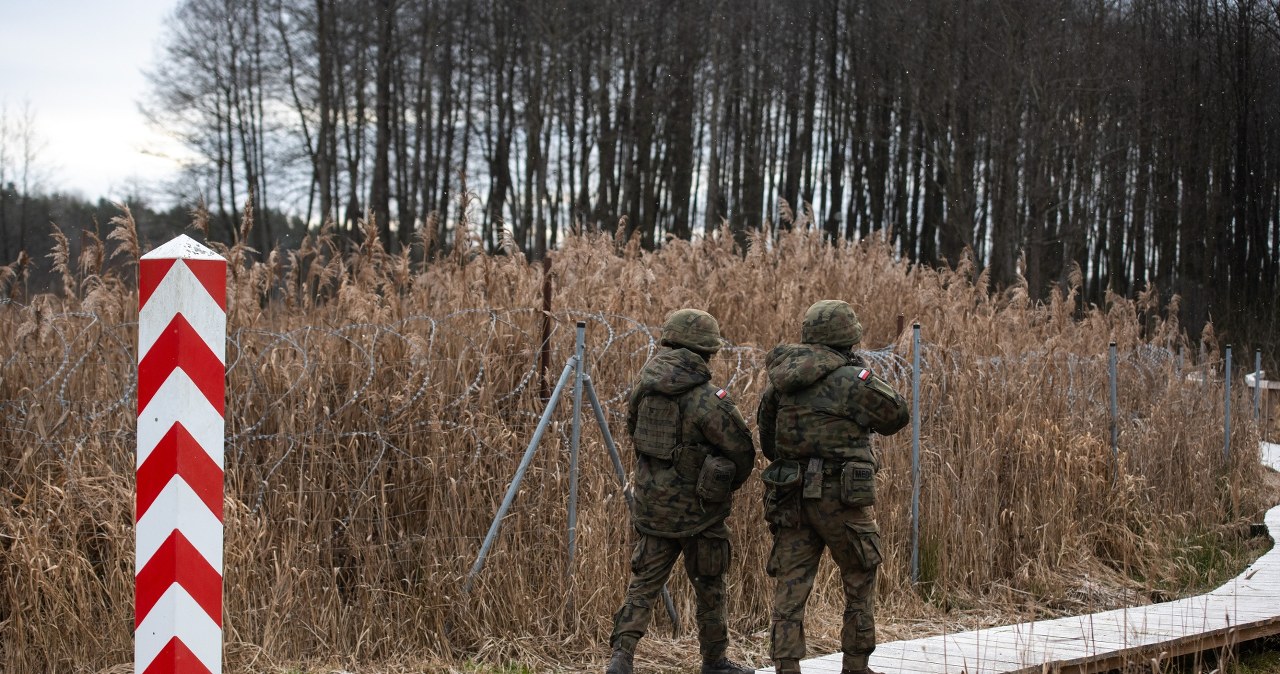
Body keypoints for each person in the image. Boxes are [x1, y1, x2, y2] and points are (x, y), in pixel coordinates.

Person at [756, 300, 910, 674]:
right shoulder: (849, 381)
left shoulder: (781, 381)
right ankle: (856, 665)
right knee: (859, 574)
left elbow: (768, 437)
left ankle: (786, 665)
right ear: (848, 337)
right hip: (842, 496)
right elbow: (897, 416)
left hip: (791, 494)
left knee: (791, 583)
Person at [606, 308, 757, 674]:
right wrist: (723, 486)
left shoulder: (644, 389)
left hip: (653, 508)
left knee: (643, 585)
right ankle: (715, 662)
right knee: (710, 587)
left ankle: (621, 658)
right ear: (706, 351)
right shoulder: (707, 398)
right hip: (699, 512)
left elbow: (633, 431)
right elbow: (742, 451)